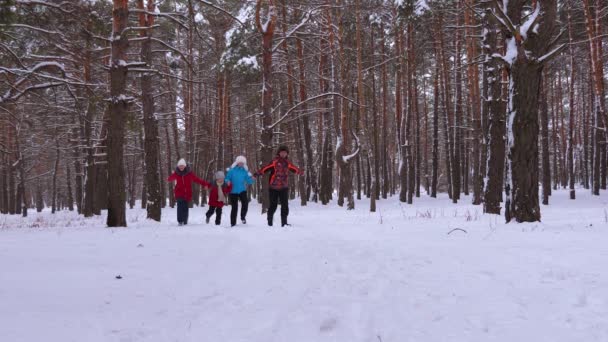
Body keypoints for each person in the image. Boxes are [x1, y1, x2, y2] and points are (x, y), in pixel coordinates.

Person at [255, 145, 303, 227]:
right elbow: (265, 168)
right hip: (273, 187)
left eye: (285, 153)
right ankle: (269, 222)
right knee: (273, 205)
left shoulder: (287, 163)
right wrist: (257, 174)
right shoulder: (274, 162)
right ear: (279, 153)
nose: (283, 154)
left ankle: (284, 223)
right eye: (282, 152)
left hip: (284, 187)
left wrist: (300, 172)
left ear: (287, 154)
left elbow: (294, 169)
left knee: (285, 206)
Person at [167, 158, 210, 226]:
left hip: (187, 193)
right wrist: (170, 177)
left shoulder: (189, 174)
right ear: (178, 166)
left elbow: (197, 179)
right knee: (179, 207)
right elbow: (170, 179)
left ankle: (185, 220)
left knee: (185, 207)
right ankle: (180, 221)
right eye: (180, 166)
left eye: (182, 166)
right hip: (179, 193)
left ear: (185, 166)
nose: (181, 167)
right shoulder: (176, 173)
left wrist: (205, 184)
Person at [225, 155, 255, 227]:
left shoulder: (244, 171)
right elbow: (227, 178)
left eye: (242, 163)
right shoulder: (232, 170)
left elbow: (248, 181)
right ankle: (233, 223)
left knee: (245, 204)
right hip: (233, 191)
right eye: (240, 163)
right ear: (237, 163)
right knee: (234, 207)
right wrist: (228, 181)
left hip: (242, 190)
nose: (241, 164)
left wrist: (252, 179)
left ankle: (243, 217)